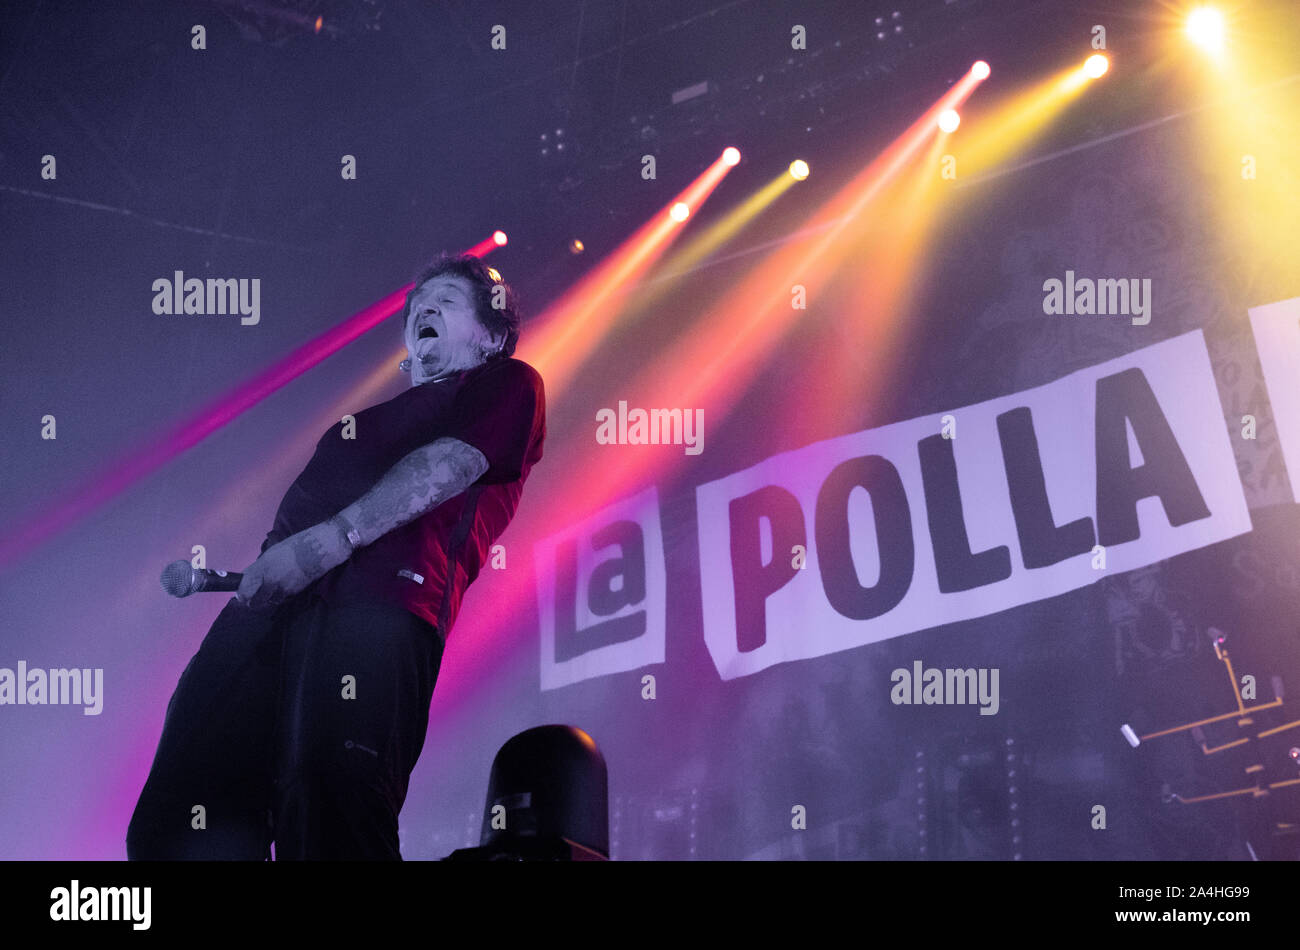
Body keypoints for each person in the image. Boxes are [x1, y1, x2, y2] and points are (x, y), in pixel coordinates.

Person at [126, 253, 545, 860]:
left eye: (448, 300)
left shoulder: (506, 382)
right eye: (417, 305)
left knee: (327, 808)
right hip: (270, 617)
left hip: (377, 609)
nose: (424, 308)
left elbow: (456, 462)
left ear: (492, 334)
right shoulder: (367, 419)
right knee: (184, 807)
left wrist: (330, 541)